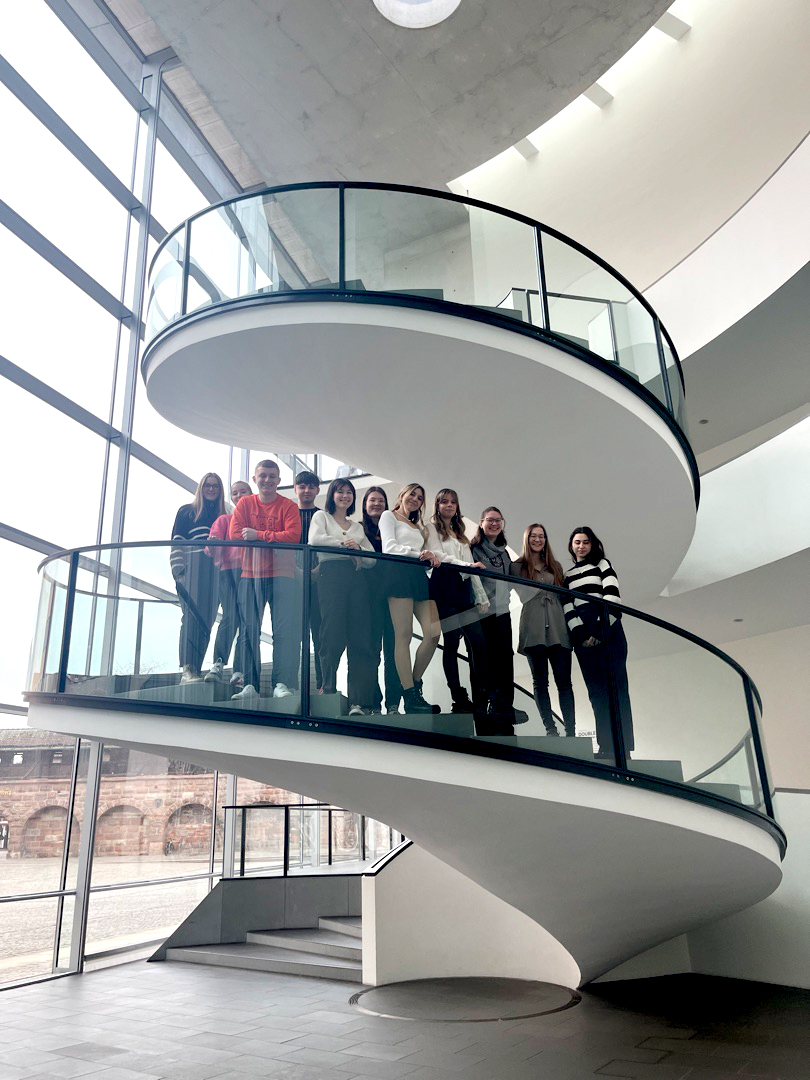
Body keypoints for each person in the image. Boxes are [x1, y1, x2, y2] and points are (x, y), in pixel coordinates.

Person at [228, 459, 302, 701]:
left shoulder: (289, 506)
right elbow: (234, 534)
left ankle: (283, 683)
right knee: (249, 630)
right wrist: (274, 538)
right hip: (251, 575)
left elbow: (293, 536)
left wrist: (258, 535)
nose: (267, 480)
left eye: (272, 476)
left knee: (285, 632)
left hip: (283, 576)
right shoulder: (245, 504)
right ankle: (250, 684)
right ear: (255, 478)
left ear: (279, 481)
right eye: (263, 476)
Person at [563, 526, 634, 758]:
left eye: (585, 542)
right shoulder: (567, 576)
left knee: (617, 690)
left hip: (609, 629)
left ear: (592, 544)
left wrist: (600, 631)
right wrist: (583, 635)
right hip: (582, 636)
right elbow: (567, 608)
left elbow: (613, 598)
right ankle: (605, 746)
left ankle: (623, 748)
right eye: (577, 542)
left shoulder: (603, 565)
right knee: (596, 693)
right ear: (571, 546)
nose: (581, 546)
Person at [308, 479, 377, 715]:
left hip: (356, 581)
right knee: (332, 632)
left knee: (359, 637)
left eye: (349, 492)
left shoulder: (357, 527)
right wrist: (346, 546)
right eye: (340, 492)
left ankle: (357, 701)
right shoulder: (321, 518)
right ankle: (328, 688)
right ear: (332, 495)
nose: (345, 496)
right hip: (330, 577)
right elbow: (315, 540)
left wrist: (357, 550)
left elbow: (372, 558)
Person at [378, 484, 442, 714]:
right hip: (398, 574)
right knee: (403, 636)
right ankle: (410, 695)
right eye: (412, 494)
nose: (415, 499)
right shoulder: (389, 515)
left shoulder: (419, 526)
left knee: (433, 633)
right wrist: (420, 554)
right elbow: (389, 547)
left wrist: (430, 554)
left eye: (420, 497)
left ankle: (414, 684)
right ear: (402, 496)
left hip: (418, 576)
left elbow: (433, 552)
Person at [427, 489, 491, 715]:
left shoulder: (461, 532)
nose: (449, 505)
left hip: (463, 589)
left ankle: (487, 694)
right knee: (451, 642)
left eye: (453, 502)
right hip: (444, 586)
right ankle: (458, 697)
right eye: (444, 502)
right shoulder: (431, 528)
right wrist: (465, 567)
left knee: (478, 643)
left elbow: (471, 564)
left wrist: (481, 596)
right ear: (437, 505)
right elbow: (438, 555)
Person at [510, 524, 575, 737]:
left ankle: (571, 730)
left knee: (564, 682)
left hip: (558, 627)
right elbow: (523, 593)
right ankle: (550, 728)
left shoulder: (555, 566)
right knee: (540, 681)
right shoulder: (517, 566)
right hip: (533, 626)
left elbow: (564, 595)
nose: (538, 540)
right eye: (533, 536)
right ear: (527, 540)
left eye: (541, 536)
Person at [171, 473, 226, 683]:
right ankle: (187, 668)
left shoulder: (223, 516)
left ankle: (197, 669)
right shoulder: (187, 512)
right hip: (191, 573)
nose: (211, 489)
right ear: (201, 488)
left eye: (216, 486)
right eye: (207, 486)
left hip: (215, 574)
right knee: (190, 620)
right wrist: (179, 573)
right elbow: (177, 543)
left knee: (207, 623)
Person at [470, 507, 518, 723]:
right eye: (490, 520)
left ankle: (506, 704)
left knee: (505, 659)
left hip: (503, 612)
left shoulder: (505, 552)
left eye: (498, 520)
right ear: (481, 523)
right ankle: (483, 704)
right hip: (481, 612)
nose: (494, 524)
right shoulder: (473, 549)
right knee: (482, 658)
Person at [204, 479, 252, 688]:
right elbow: (211, 549)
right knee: (231, 617)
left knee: (247, 620)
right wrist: (213, 544)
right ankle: (218, 663)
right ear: (231, 497)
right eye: (235, 493)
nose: (239, 496)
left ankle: (240, 670)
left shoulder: (257, 522)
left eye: (244, 492)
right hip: (228, 573)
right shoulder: (224, 520)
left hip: (252, 573)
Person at [361, 486, 402, 714]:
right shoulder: (357, 530)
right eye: (372, 500)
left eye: (380, 500)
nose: (376, 504)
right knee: (371, 652)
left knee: (394, 653)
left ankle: (394, 704)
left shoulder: (394, 527)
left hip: (394, 595)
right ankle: (373, 703)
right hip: (368, 599)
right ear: (365, 505)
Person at [294, 470, 323, 694]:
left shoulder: (323, 516)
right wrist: (296, 570)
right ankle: (290, 686)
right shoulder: (288, 514)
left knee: (320, 635)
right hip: (292, 580)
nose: (307, 491)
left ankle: (323, 685)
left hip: (319, 580)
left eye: (311, 487)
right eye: (302, 486)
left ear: (317, 490)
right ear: (295, 489)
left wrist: (318, 569)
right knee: (294, 636)